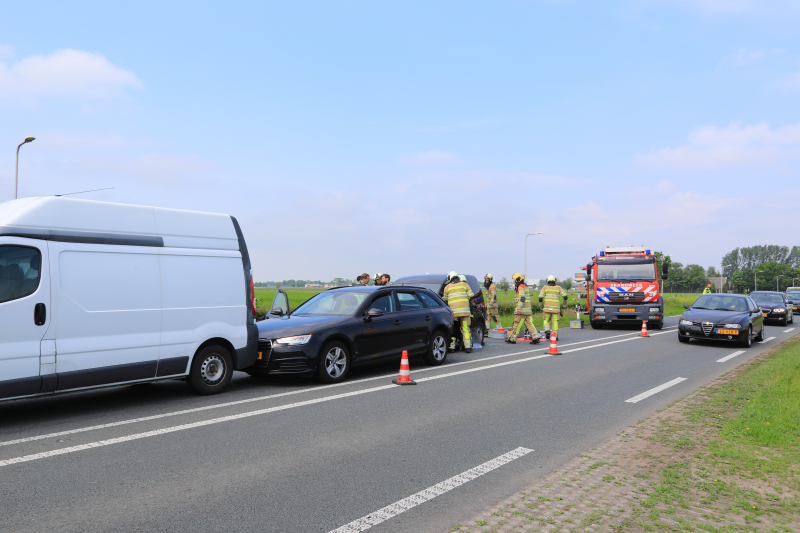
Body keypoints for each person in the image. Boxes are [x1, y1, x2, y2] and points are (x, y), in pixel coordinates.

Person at [442, 271, 474, 353]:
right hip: (465, 313)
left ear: (449, 278)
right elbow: (471, 296)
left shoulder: (447, 287)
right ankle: (468, 347)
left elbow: (444, 300)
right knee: (465, 329)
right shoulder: (464, 284)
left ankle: (452, 347)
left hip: (454, 314)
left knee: (453, 329)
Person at [506, 273, 540, 344]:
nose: (515, 281)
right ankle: (536, 337)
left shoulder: (520, 287)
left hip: (522, 310)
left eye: (515, 280)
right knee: (529, 324)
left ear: (518, 280)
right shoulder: (526, 286)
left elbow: (522, 298)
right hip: (527, 310)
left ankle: (512, 339)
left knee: (516, 324)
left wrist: (519, 308)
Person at [539, 275, 567, 340]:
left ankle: (547, 331)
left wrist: (541, 306)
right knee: (555, 322)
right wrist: (564, 304)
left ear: (547, 280)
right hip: (556, 309)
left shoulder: (545, 288)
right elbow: (565, 297)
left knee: (546, 320)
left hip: (546, 309)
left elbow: (540, 298)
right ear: (555, 280)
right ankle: (555, 336)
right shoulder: (559, 287)